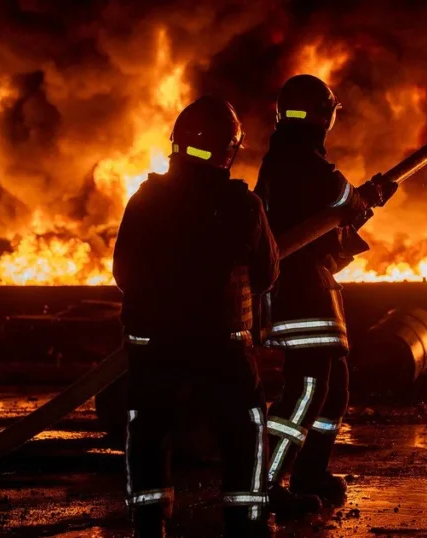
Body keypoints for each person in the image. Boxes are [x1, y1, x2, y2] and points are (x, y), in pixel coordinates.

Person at [113, 96, 280, 538]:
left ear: (176, 142)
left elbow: (123, 273)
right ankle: (245, 521)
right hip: (222, 340)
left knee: (147, 428)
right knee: (245, 426)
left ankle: (148, 522)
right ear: (230, 149)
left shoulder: (145, 200)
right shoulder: (242, 205)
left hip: (154, 340)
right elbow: (267, 275)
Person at [254, 74, 396, 518]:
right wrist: (366, 196)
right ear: (326, 115)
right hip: (301, 295)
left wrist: (363, 201)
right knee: (308, 390)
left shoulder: (289, 158)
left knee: (332, 393)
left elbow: (335, 218)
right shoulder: (299, 160)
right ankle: (266, 483)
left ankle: (310, 472)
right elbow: (341, 198)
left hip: (312, 288)